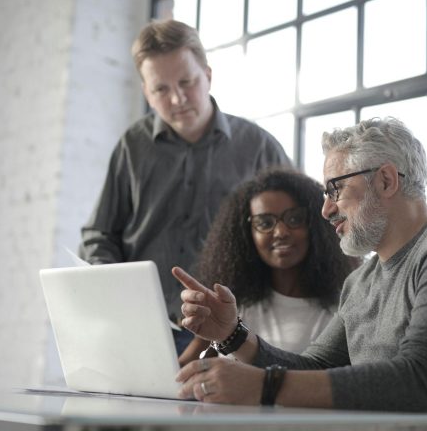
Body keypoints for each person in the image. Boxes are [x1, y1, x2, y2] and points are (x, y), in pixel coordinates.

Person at [172, 117, 427, 430]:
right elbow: (316, 368)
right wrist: (233, 336)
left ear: (385, 180)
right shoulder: (361, 280)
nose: (325, 210)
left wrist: (262, 387)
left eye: (335, 189)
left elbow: (419, 383)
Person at [79, 19, 291, 354]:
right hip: (142, 330)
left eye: (186, 82)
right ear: (147, 93)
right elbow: (99, 236)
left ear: (207, 76)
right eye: (161, 89)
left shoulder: (259, 148)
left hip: (237, 332)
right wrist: (114, 292)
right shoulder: (131, 147)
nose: (177, 99)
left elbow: (293, 237)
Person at [178, 168, 357, 366]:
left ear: (315, 225)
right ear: (247, 234)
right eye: (265, 223)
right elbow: (180, 376)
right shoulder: (230, 302)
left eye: (294, 219)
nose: (281, 232)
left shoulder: (342, 306)